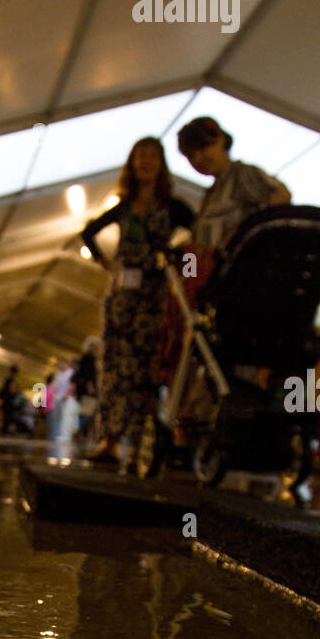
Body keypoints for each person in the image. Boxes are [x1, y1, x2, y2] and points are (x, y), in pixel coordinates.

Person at [81, 137, 194, 469]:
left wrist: (184, 270)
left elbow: (195, 235)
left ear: (161, 164)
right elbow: (88, 232)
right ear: (131, 164)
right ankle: (111, 440)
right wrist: (106, 263)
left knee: (144, 369)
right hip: (121, 298)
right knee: (115, 367)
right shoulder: (125, 206)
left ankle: (138, 443)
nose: (145, 163)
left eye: (151, 157)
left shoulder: (174, 207)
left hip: (153, 297)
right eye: (139, 157)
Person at [177, 116, 290, 257]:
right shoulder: (212, 192)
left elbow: (283, 195)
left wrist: (238, 236)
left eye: (203, 147)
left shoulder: (242, 173)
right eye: (191, 155)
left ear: (221, 140)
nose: (198, 159)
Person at [0, 365, 20, 434]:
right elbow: (12, 391)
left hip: (7, 403)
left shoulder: (8, 380)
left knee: (7, 420)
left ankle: (5, 432)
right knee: (7, 420)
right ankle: (5, 433)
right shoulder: (11, 380)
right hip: (9, 404)